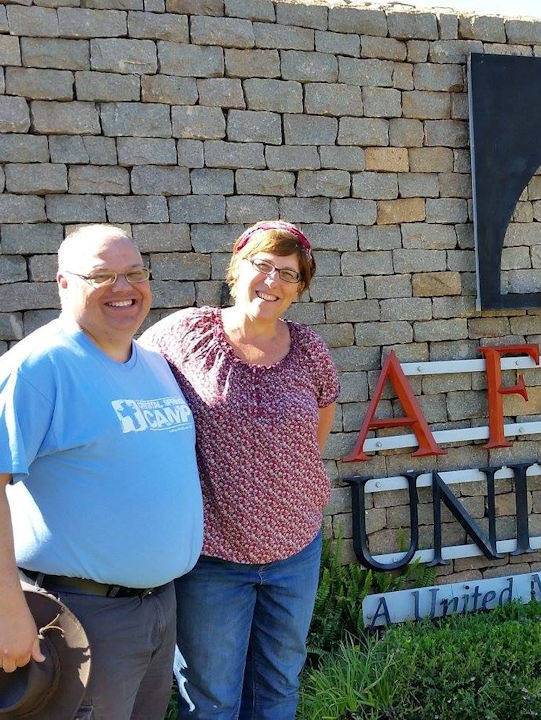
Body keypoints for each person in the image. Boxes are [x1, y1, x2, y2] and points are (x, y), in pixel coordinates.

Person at [0, 224, 203, 719]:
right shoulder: (37, 368)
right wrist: (7, 611)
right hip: (81, 615)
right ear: (64, 284)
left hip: (159, 607)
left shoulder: (153, 362)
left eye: (135, 273)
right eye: (102, 276)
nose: (124, 288)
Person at [141, 220, 340, 719]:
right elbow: (130, 396)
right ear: (237, 269)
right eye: (263, 266)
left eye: (288, 275)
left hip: (295, 550)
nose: (272, 282)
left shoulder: (310, 350)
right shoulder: (183, 334)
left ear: (301, 288)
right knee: (210, 699)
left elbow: (312, 442)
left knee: (278, 688)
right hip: (212, 558)